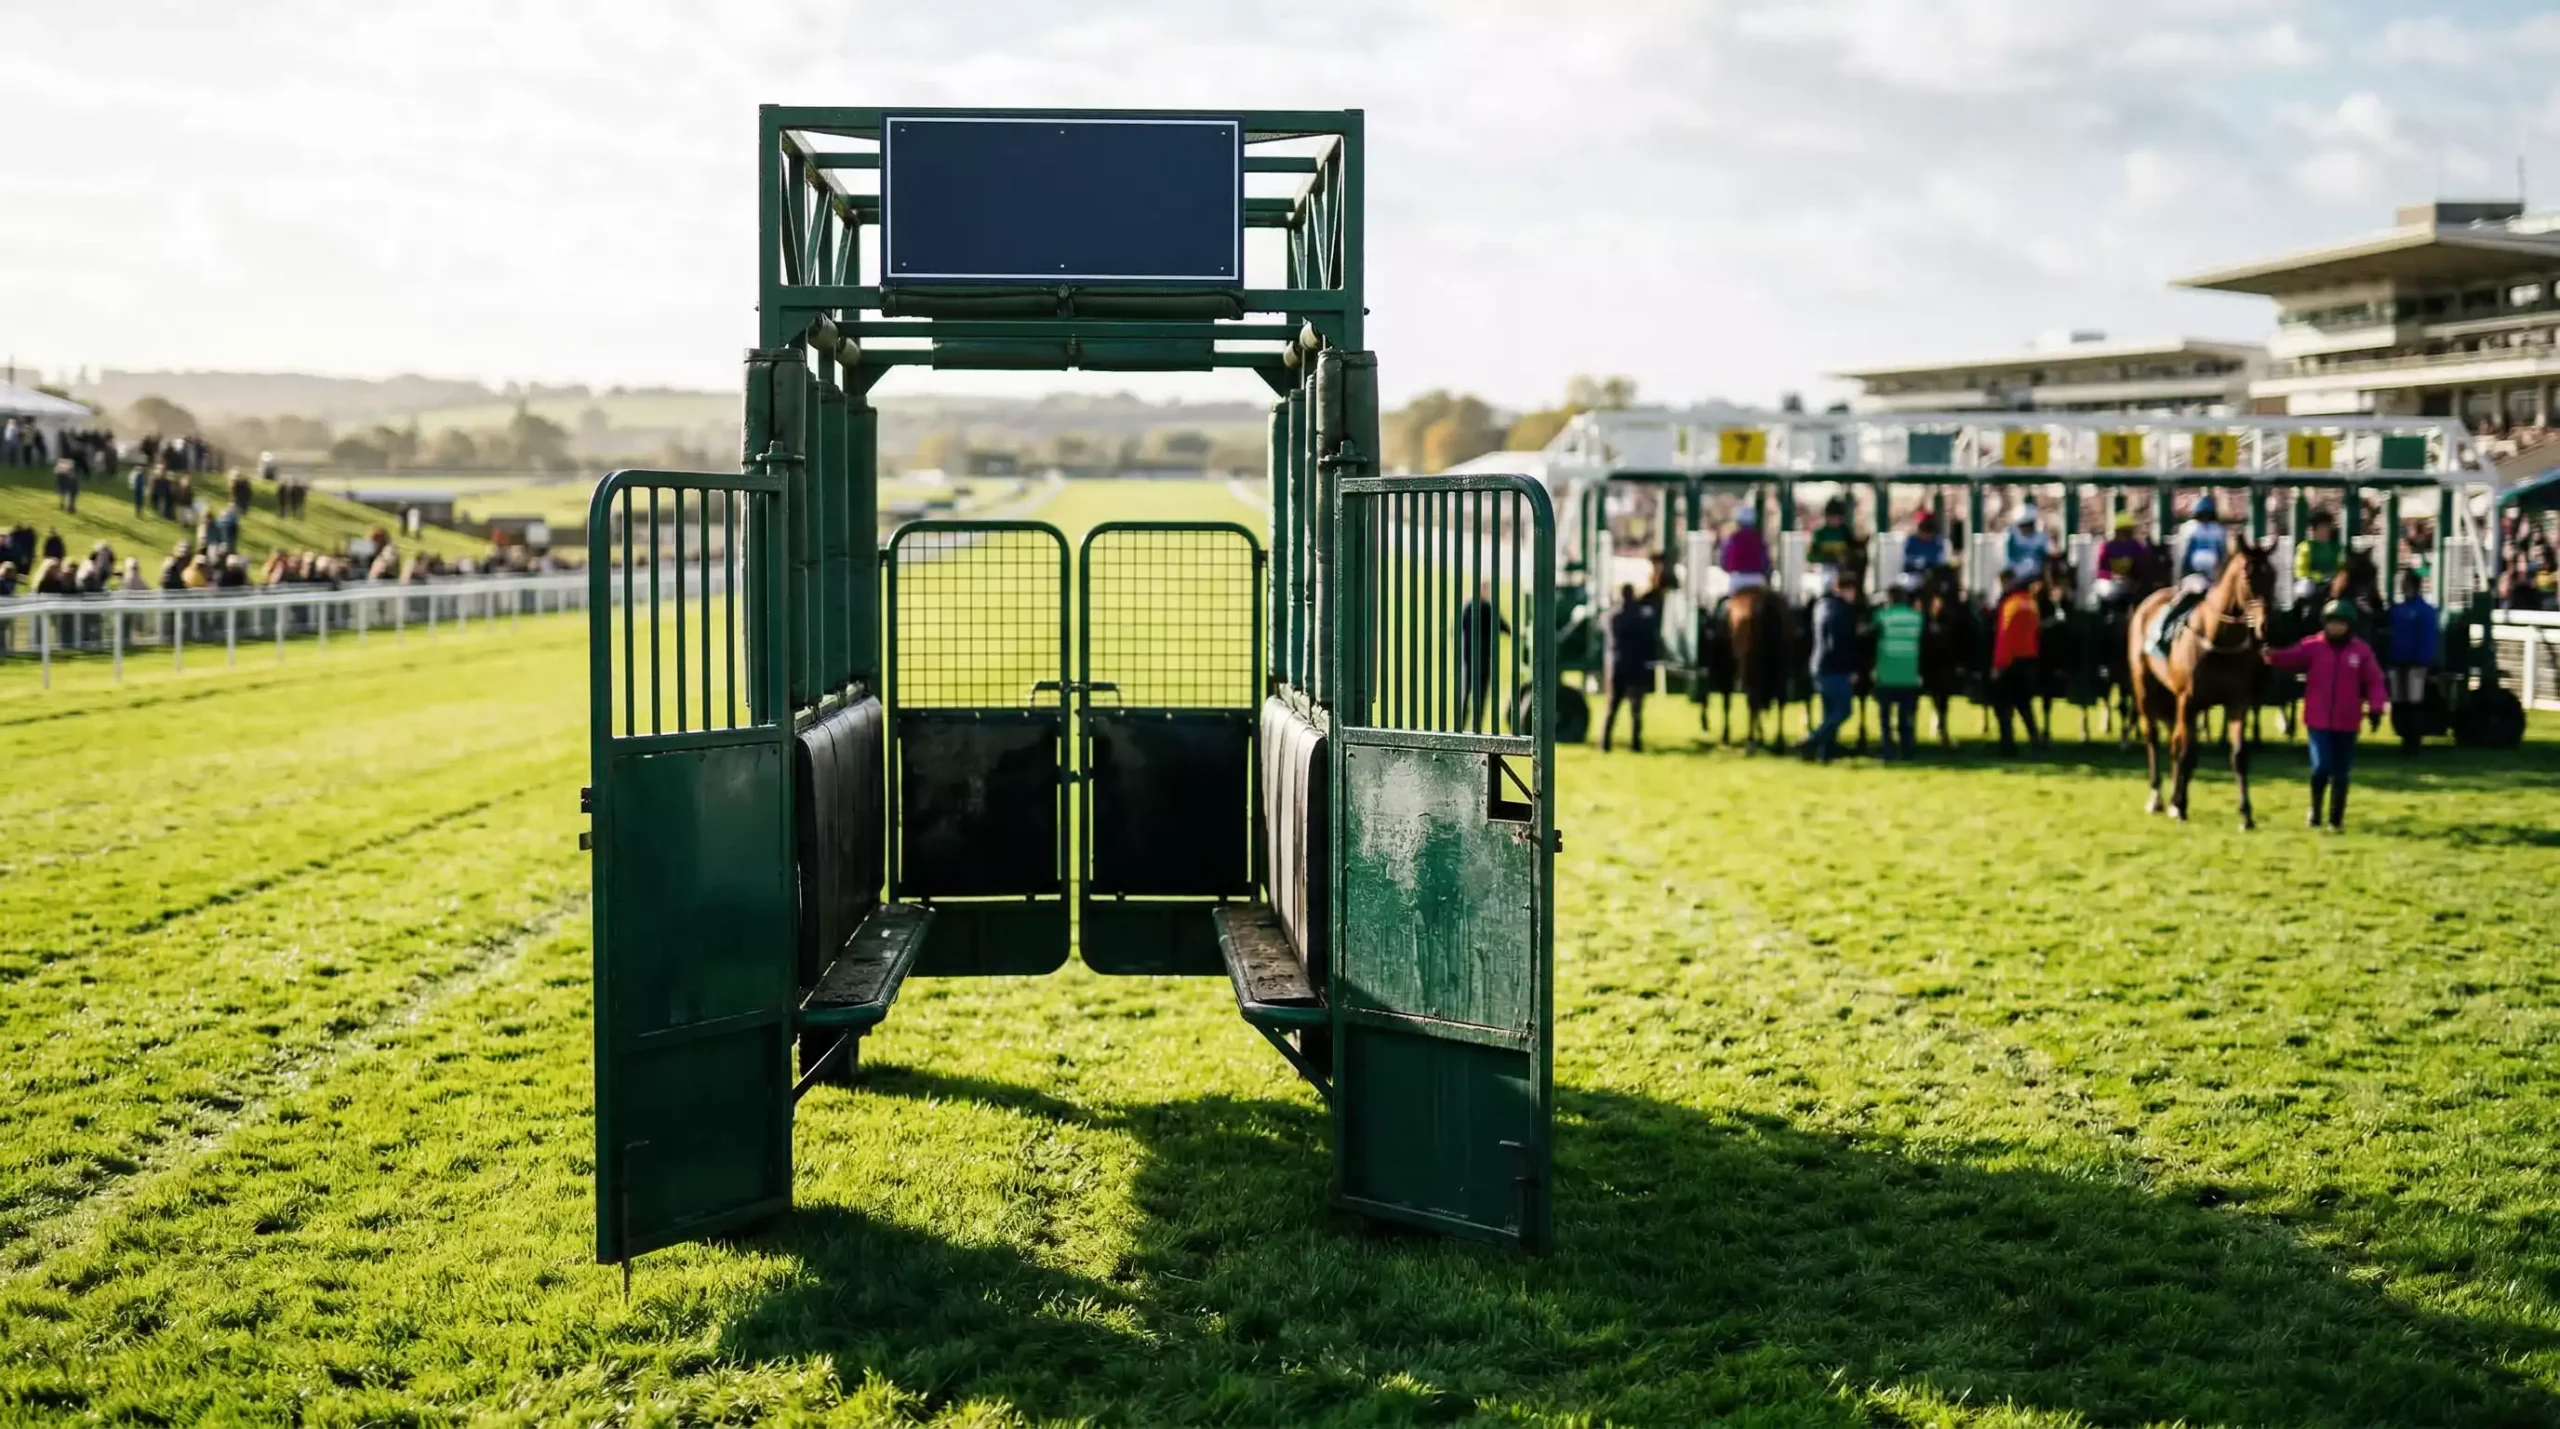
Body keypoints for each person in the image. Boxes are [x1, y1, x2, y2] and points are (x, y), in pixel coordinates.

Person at [2265, 599, 2386, 830]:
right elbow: (2289, 656)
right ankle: (2315, 810)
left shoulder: (2361, 652)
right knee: (2321, 767)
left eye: (2341, 623)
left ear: (2349, 625)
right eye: (2332, 623)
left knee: (2341, 772)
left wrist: (2376, 707)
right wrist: (2270, 655)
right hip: (2318, 721)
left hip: (2348, 722)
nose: (2336, 628)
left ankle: (2335, 818)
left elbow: (2375, 680)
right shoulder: (2313, 646)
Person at [2150, 494, 2232, 655]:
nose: (2206, 518)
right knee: (2182, 602)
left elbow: (2224, 556)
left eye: (2208, 514)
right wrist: (2180, 580)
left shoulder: (2220, 531)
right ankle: (2162, 630)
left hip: (2215, 579)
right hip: (2194, 577)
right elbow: (2182, 557)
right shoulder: (2189, 529)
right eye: (2203, 514)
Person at [1802, 568, 1859, 763]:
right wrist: (1849, 668)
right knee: (1844, 710)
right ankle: (1812, 740)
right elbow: (1838, 643)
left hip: (1818, 666)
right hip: (1834, 668)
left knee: (1829, 712)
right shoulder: (1841, 611)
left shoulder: (1821, 606)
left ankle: (1825, 754)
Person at [2383, 570, 2438, 756]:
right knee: (2399, 701)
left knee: (2413, 701)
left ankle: (2413, 742)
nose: (2401, 586)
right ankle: (2405, 738)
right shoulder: (2397, 610)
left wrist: (2423, 661)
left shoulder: (2424, 611)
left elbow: (2428, 638)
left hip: (2415, 663)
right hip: (2397, 661)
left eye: (2404, 583)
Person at [1600, 583, 1658, 753]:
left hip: (1617, 666)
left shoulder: (1613, 617)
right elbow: (1650, 640)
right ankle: (1635, 743)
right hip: (1635, 666)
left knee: (1612, 707)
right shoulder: (1640, 617)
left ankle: (1605, 742)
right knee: (1636, 709)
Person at [1991, 567, 2042, 753]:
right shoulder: (2031, 603)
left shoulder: (2009, 605)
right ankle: (2035, 740)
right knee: (2025, 705)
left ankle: (2007, 744)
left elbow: (2004, 637)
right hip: (2028, 660)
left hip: (2010, 662)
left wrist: (1998, 664)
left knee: (2002, 706)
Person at [1873, 575, 1924, 759]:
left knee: (1885, 719)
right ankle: (1907, 750)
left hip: (1886, 674)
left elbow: (1871, 635)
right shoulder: (1916, 618)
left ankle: (1887, 750)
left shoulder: (1882, 616)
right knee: (1905, 718)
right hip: (1909, 675)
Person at [2094, 510, 2147, 598]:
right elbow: (2100, 572)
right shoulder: (2107, 547)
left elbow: (2144, 568)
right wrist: (2112, 576)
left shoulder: (2138, 546)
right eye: (2123, 531)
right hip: (2110, 585)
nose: (2125, 536)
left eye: (2127, 532)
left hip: (2132, 584)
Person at [2292, 509, 2341, 605]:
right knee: (2304, 588)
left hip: (2333, 584)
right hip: (2312, 585)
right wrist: (2319, 578)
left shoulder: (2335, 547)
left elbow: (2341, 566)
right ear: (2314, 530)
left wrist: (2336, 578)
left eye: (2327, 528)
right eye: (2322, 528)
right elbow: (2300, 571)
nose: (2325, 531)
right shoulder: (2305, 547)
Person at [1718, 507, 1769, 590]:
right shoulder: (1759, 539)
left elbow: (1724, 561)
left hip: (1738, 578)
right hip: (1756, 578)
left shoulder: (1731, 539)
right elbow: (1765, 562)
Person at [1807, 499, 1857, 583]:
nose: (1835, 520)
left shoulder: (1845, 532)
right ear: (1826, 517)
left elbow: (1853, 551)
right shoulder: (1820, 533)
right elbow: (1810, 556)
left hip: (1843, 572)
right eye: (1832, 517)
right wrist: (1826, 558)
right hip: (1824, 571)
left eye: (1837, 517)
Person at [2003, 505, 2049, 582]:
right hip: (2015, 577)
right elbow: (2008, 561)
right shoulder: (2011, 537)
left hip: (2036, 578)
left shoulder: (2042, 537)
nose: (2026, 528)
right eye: (2023, 525)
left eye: (2029, 525)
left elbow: (2044, 559)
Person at [1900, 509, 1947, 575]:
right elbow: (1907, 559)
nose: (1926, 536)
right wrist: (1918, 562)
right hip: (1913, 573)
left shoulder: (1937, 542)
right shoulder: (1912, 541)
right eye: (1924, 532)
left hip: (1932, 574)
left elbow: (1940, 561)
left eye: (1929, 533)